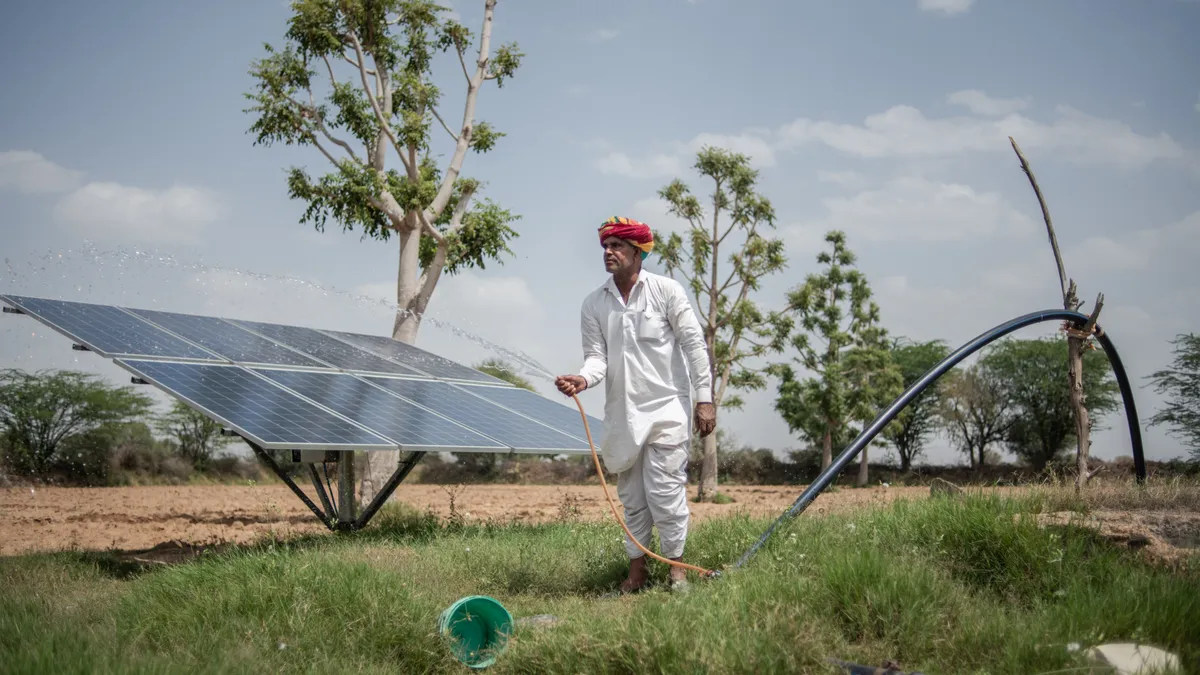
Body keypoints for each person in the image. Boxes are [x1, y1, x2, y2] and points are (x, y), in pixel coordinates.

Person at [556, 216, 716, 593]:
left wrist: (704, 399)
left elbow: (694, 345)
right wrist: (583, 378)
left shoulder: (666, 291)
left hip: (667, 410)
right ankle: (637, 573)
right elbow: (597, 358)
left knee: (665, 493)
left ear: (638, 252)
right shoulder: (594, 303)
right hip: (622, 415)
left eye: (617, 246)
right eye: (605, 247)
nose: (608, 253)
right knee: (632, 498)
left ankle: (677, 571)